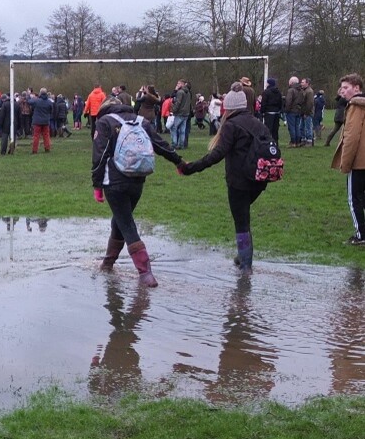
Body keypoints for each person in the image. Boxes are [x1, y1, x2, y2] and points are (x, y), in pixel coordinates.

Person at [92, 97, 185, 287]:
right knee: (119, 220)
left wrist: (97, 185)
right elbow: (160, 145)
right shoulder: (141, 121)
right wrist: (178, 162)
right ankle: (107, 264)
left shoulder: (104, 123)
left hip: (115, 183)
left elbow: (99, 157)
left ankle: (145, 273)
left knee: (126, 224)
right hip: (138, 181)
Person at [181, 88, 272, 275]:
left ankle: (245, 266)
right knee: (244, 217)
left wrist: (191, 168)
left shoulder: (231, 125)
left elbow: (217, 154)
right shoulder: (258, 123)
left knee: (241, 222)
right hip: (259, 179)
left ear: (228, 107)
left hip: (239, 181)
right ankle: (242, 257)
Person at [329, 73, 365, 245]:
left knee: (354, 197)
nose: (342, 91)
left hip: (359, 159)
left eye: (346, 87)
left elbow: (351, 136)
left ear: (357, 88)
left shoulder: (355, 107)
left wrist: (346, 162)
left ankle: (361, 235)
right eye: (341, 88)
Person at [261, 78, 283, 144]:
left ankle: (267, 142)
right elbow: (281, 102)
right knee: (275, 130)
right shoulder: (278, 92)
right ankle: (275, 142)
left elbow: (264, 103)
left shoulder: (266, 92)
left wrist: (262, 111)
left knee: (268, 129)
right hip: (276, 112)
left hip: (268, 113)